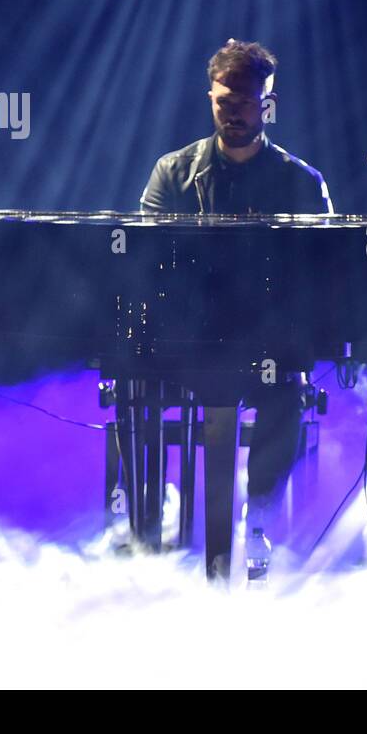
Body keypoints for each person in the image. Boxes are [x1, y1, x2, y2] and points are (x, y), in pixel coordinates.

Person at [141, 39, 332, 546]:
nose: (235, 112)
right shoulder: (172, 171)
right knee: (134, 376)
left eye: (247, 102)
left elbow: (324, 274)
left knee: (285, 382)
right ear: (210, 97)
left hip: (265, 342)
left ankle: (261, 515)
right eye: (225, 101)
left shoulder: (301, 182)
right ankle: (146, 518)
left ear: (268, 103)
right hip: (185, 341)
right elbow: (142, 262)